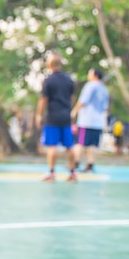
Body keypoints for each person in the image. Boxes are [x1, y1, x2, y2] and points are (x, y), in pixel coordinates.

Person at [35, 52, 77, 182]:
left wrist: (38, 115)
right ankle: (72, 173)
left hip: (53, 117)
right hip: (66, 117)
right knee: (69, 146)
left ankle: (52, 173)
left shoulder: (49, 81)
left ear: (49, 65)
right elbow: (72, 98)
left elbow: (43, 100)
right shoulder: (69, 80)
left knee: (52, 146)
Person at [71, 68, 110, 172]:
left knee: (80, 142)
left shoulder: (90, 86)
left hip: (87, 120)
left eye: (90, 73)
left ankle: (75, 163)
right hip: (98, 121)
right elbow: (105, 107)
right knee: (92, 144)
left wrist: (74, 111)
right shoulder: (104, 89)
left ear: (95, 75)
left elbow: (83, 101)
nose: (88, 75)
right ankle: (90, 164)